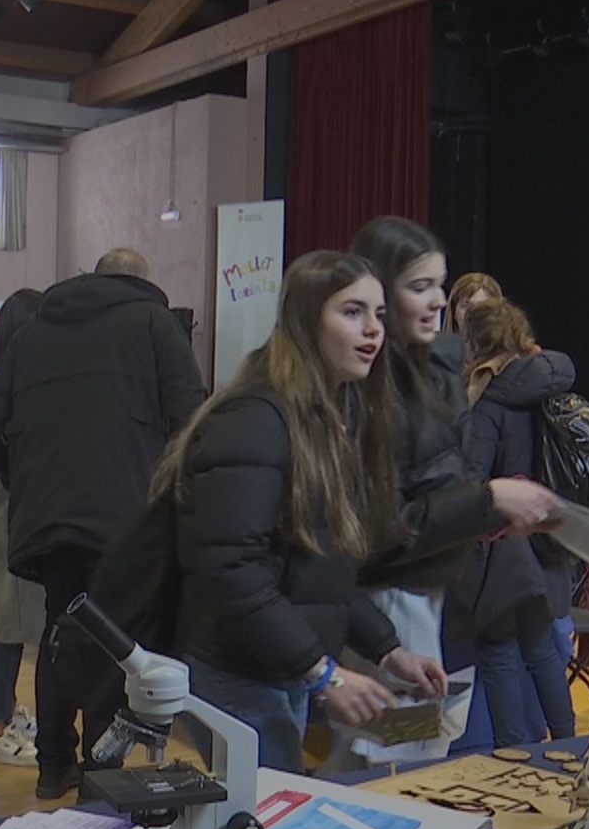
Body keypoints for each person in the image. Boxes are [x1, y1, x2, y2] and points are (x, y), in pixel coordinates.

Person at [163, 251, 446, 772]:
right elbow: (231, 571)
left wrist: (387, 650)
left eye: (379, 314)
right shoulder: (255, 419)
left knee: (280, 806)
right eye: (352, 312)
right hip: (235, 670)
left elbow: (317, 572)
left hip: (278, 666)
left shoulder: (328, 416)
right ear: (305, 321)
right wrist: (323, 673)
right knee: (268, 815)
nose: (373, 330)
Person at [0, 247, 207, 800]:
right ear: (142, 281)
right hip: (126, 515)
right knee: (116, 640)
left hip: (47, 514)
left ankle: (53, 765)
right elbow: (192, 418)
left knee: (60, 629)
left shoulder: (34, 330)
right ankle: (100, 773)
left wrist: (21, 481)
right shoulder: (154, 323)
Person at [346, 217, 548, 764]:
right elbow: (379, 527)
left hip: (438, 586)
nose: (438, 300)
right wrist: (487, 502)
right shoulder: (360, 387)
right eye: (420, 287)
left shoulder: (438, 365)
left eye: (440, 283)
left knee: (419, 743)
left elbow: (443, 481)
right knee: (394, 753)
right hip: (388, 595)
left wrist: (490, 511)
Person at [457, 299, 578, 743]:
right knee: (543, 651)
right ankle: (569, 744)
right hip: (550, 541)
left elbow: (474, 481)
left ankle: (513, 755)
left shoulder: (489, 399)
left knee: (498, 652)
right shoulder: (554, 386)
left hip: (503, 545)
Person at [0, 288, 45, 767]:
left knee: (13, 623)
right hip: (10, 520)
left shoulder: (8, 382)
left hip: (12, 517)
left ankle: (8, 711)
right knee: (8, 627)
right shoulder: (7, 390)